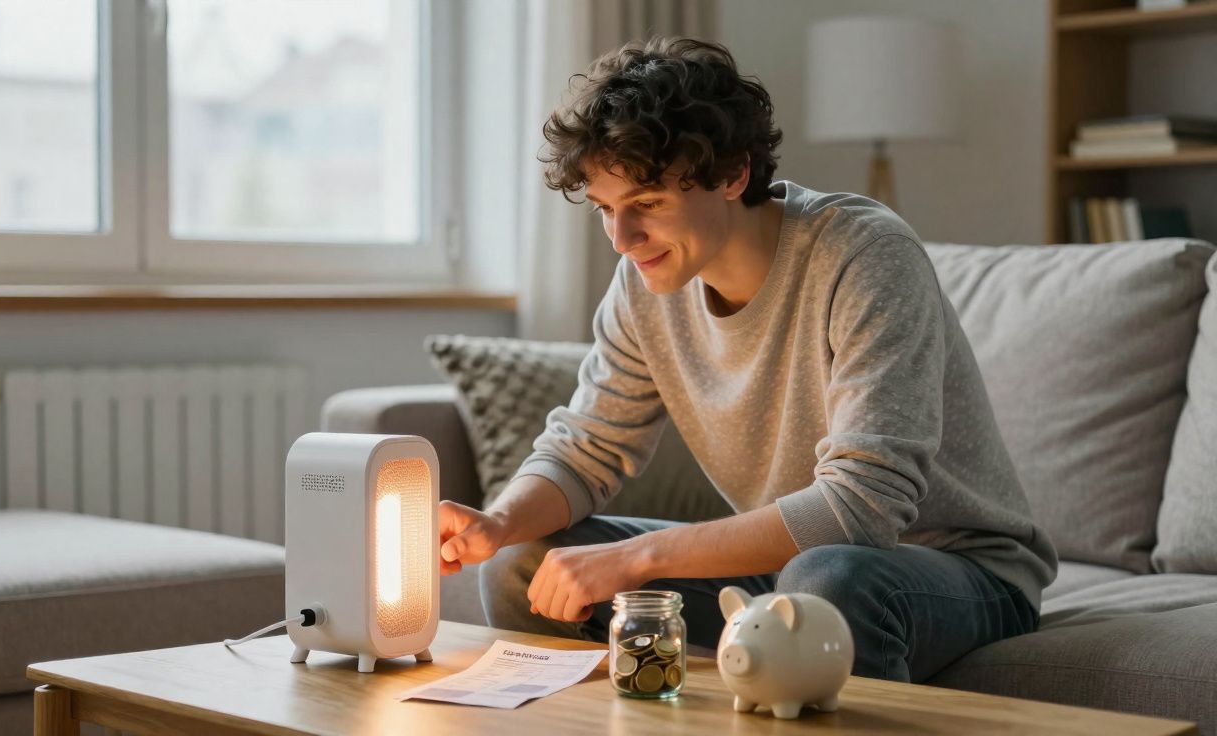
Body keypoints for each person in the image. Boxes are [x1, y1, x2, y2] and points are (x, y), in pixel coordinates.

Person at [437, 36, 1056, 683]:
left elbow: (862, 510)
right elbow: (585, 451)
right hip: (795, 564)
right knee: (524, 563)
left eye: (646, 205)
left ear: (732, 174)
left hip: (954, 569)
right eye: (605, 210)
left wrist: (640, 557)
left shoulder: (864, 255)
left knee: (828, 582)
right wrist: (499, 522)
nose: (623, 239)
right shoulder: (646, 285)